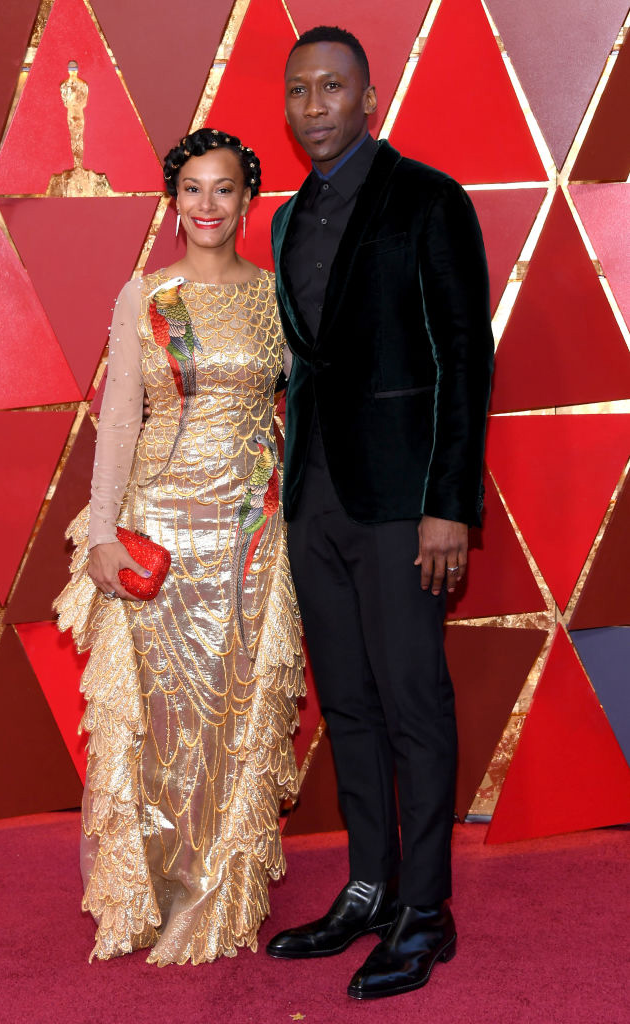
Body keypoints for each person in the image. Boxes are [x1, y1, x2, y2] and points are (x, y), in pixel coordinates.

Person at [264, 27, 494, 1000]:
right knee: (349, 706)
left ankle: (426, 909)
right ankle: (369, 887)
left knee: (411, 704)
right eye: (298, 90)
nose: (313, 106)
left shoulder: (428, 199)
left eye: (331, 87)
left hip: (403, 505)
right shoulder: (286, 220)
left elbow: (464, 358)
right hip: (312, 500)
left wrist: (448, 507)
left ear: (368, 97)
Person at [55, 128, 304, 966]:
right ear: (173, 201)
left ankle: (216, 895)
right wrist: (100, 534)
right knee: (158, 721)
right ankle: (146, 892)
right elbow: (120, 420)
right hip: (157, 529)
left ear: (247, 199)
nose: (207, 204)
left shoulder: (278, 297)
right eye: (191, 188)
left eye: (223, 188)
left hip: (249, 536)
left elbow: (305, 412)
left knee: (234, 712)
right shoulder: (146, 296)